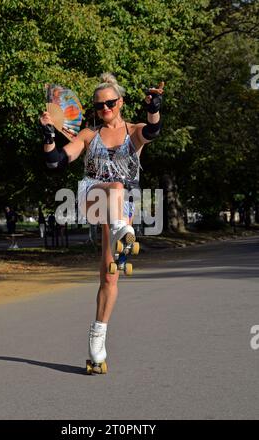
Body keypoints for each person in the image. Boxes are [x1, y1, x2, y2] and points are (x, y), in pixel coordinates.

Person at [40, 73, 163, 374]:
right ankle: (124, 232)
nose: (105, 109)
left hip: (124, 206)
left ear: (120, 103)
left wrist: (154, 106)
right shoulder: (87, 135)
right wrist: (48, 138)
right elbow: (55, 162)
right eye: (99, 105)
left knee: (109, 277)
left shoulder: (133, 131)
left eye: (110, 103)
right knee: (116, 189)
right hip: (93, 198)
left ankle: (97, 339)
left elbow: (155, 129)